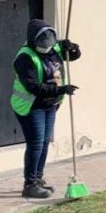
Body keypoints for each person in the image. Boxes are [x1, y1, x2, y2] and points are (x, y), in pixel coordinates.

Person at [11, 20, 80, 199]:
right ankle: (30, 184)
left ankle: (38, 179)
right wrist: (61, 90)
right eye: (43, 46)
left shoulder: (53, 47)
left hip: (50, 105)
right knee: (35, 144)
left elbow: (71, 55)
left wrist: (72, 48)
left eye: (50, 46)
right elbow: (34, 87)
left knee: (44, 143)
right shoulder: (24, 58)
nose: (47, 49)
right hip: (31, 106)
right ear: (34, 41)